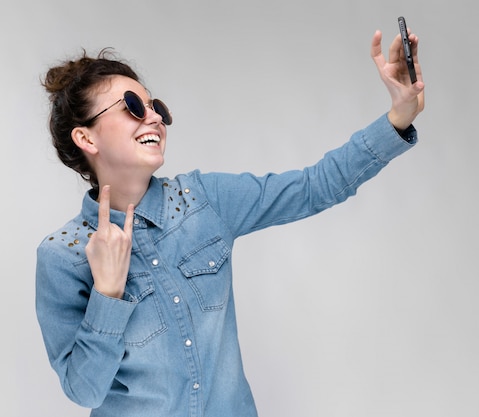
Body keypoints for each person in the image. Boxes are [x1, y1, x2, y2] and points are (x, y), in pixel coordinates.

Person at [35, 28, 425, 417]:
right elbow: (84, 390)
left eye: (157, 108)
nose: (153, 117)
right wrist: (107, 293)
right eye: (133, 106)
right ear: (86, 138)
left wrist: (398, 116)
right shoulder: (63, 256)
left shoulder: (204, 200)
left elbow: (313, 186)